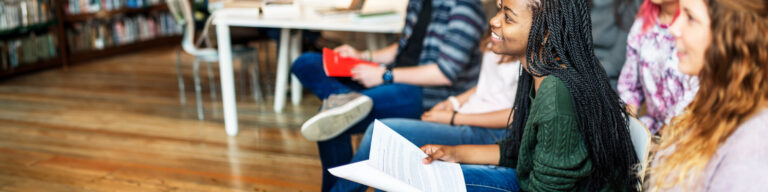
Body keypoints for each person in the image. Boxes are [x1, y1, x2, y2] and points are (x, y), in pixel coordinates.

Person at [418, 0, 640, 190]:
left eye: (508, 17)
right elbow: (518, 152)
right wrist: (454, 154)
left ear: (545, 33)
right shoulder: (536, 72)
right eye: (499, 10)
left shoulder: (556, 95)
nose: (494, 21)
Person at [289, 0, 487, 191]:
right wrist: (364, 56)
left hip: (427, 92)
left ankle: (342, 102)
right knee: (306, 63)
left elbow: (445, 73)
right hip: (393, 75)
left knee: (328, 121)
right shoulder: (418, 2)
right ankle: (343, 97)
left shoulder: (465, 7)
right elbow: (403, 47)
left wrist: (384, 76)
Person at [329, 33, 521, 191]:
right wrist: (452, 102)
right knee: (385, 147)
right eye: (499, 8)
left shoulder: (531, 56)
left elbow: (516, 114)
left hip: (486, 130)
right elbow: (487, 86)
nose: (495, 18)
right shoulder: (499, 34)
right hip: (465, 113)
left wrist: (453, 118)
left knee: (381, 133)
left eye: (505, 10)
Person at [646, 0, 768, 190]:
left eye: (691, 18)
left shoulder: (754, 146)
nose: (674, 28)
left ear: (733, 35)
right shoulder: (709, 98)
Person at [617, 0, 699, 134]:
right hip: (649, 130)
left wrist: (664, 138)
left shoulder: (694, 31)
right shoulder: (642, 24)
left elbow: (696, 94)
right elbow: (629, 86)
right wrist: (629, 126)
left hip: (684, 132)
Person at [590, 0, 642, 89]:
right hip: (579, 69)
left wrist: (584, 74)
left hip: (607, 79)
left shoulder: (630, 3)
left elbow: (616, 61)